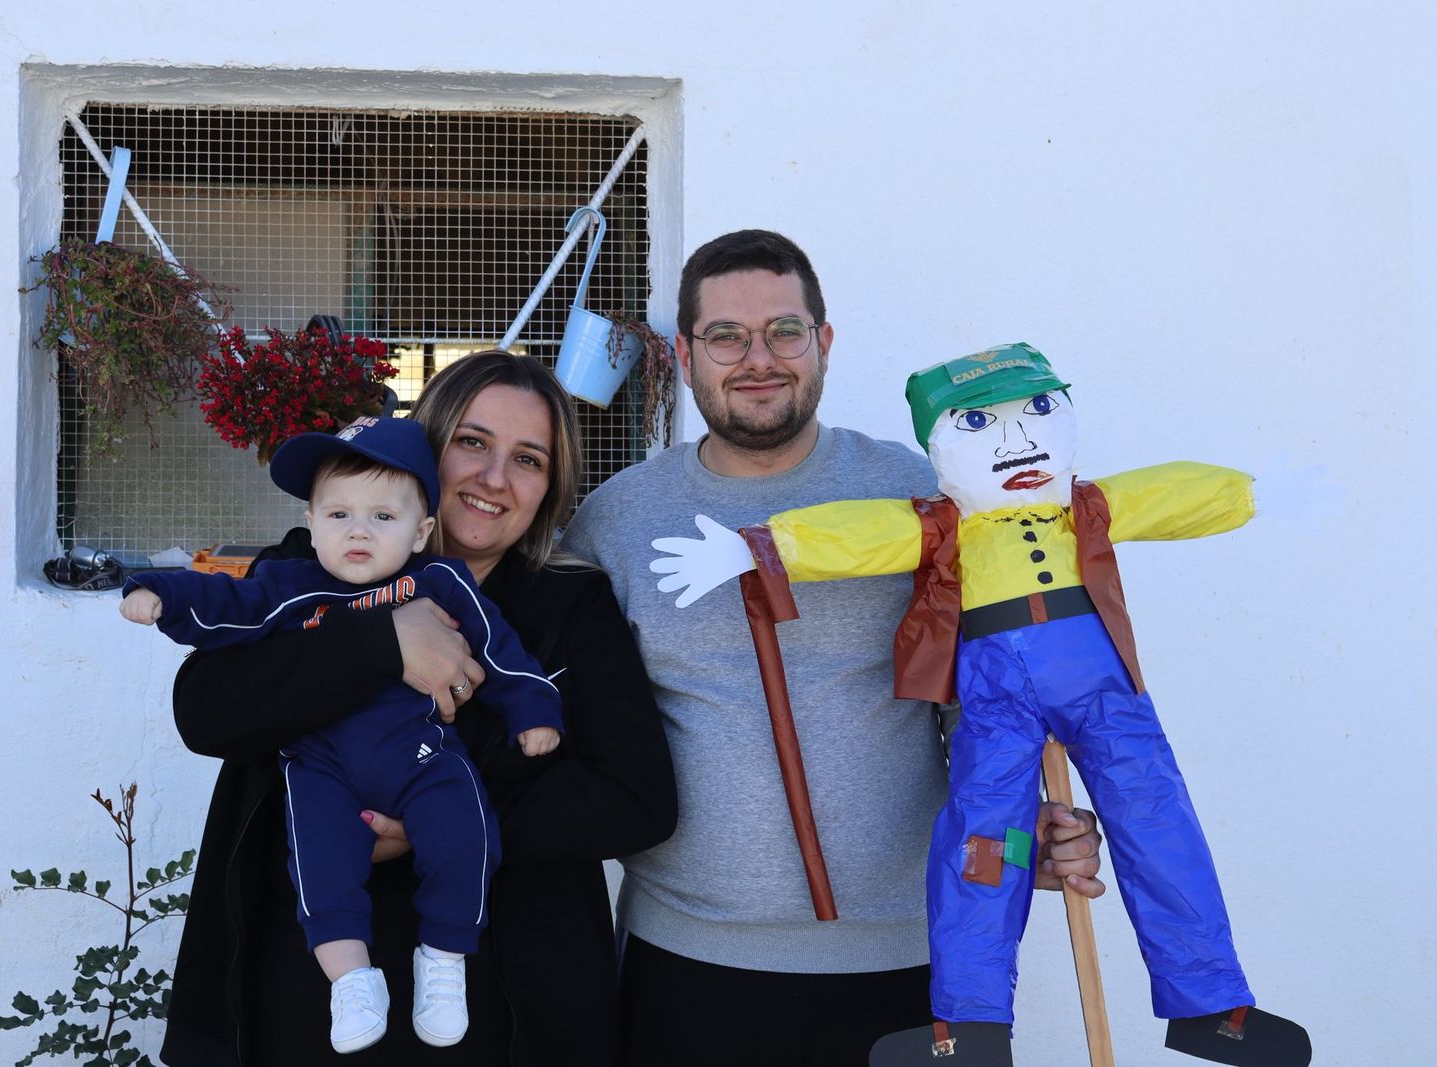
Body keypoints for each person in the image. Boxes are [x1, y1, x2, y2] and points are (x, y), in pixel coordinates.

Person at [647, 342, 1310, 1064]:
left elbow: (1163, 493)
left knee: (1159, 824)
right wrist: (760, 547)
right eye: (978, 423)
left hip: (1107, 695)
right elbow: (859, 535)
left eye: (1036, 410)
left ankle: (1212, 1004)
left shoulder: (1085, 507)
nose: (1019, 439)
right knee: (986, 844)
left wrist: (1249, 493)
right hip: (998, 703)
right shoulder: (940, 526)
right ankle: (970, 1024)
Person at [559, 230, 1105, 1065]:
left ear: (824, 341)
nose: (757, 359)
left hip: (913, 950)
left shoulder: (919, 496)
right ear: (685, 352)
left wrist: (1021, 829)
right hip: (689, 961)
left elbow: (984, 702)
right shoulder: (618, 520)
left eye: (784, 330)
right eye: (725, 337)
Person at [160, 351, 677, 1066]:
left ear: (551, 488)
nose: (494, 478)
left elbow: (635, 798)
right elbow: (205, 710)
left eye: (528, 458)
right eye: (472, 442)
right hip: (306, 988)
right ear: (428, 449)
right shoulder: (314, 565)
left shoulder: (572, 607)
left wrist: (442, 811)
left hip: (507, 996)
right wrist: (378, 642)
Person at [122, 415, 564, 1054]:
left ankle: (442, 959)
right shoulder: (292, 583)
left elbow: (499, 649)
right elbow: (225, 604)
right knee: (319, 863)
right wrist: (158, 591)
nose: (358, 529)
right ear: (312, 520)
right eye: (339, 515)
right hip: (321, 766)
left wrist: (533, 709)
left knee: (464, 828)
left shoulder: (439, 583)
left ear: (422, 531)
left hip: (422, 755)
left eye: (383, 517)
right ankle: (351, 981)